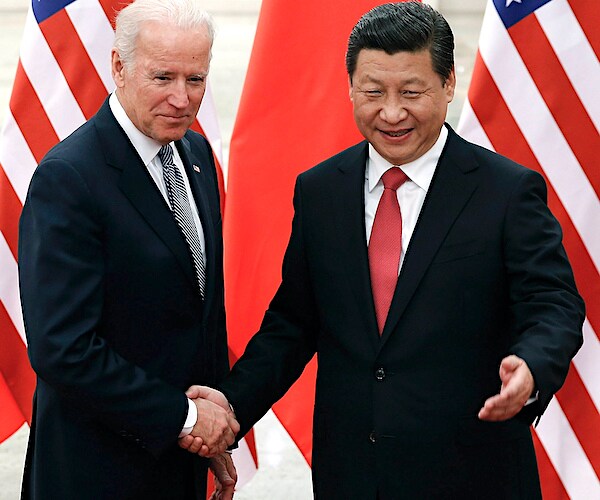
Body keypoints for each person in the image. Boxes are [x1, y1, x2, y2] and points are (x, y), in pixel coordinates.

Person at [180, 2, 585, 499]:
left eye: (411, 92)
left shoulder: (506, 191)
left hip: (472, 474)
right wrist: (229, 406)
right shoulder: (321, 190)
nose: (392, 112)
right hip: (353, 476)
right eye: (373, 92)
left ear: (448, 84)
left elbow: (554, 305)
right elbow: (292, 325)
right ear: (350, 87)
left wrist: (531, 365)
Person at [18, 0, 239, 498]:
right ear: (118, 66)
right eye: (163, 78)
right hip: (95, 472)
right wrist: (185, 418)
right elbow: (63, 349)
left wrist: (215, 432)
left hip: (177, 463)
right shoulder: (69, 177)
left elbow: (199, 310)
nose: (182, 100)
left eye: (196, 80)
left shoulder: (196, 154)